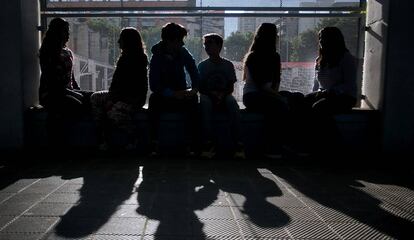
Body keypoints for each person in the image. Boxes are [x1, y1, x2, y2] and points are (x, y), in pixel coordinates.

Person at [90, 27, 148, 150]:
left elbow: (132, 87)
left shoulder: (139, 60)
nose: (118, 42)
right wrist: (112, 97)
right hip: (122, 96)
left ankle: (133, 137)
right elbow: (117, 84)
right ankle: (103, 137)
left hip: (133, 98)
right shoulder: (125, 58)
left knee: (113, 111)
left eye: (120, 39)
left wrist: (113, 99)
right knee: (95, 97)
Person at [38, 17, 92, 149]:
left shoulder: (68, 52)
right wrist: (75, 93)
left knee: (91, 97)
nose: (68, 35)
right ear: (58, 33)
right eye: (65, 31)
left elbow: (71, 77)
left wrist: (78, 91)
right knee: (75, 105)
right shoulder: (48, 52)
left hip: (66, 91)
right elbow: (52, 82)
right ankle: (61, 144)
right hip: (51, 94)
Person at [148, 22, 200, 155]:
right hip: (166, 96)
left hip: (179, 93)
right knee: (154, 99)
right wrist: (172, 93)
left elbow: (193, 71)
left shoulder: (182, 52)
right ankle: (153, 142)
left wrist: (194, 88)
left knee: (193, 99)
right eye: (180, 40)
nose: (182, 43)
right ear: (170, 41)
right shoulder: (156, 56)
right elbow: (154, 85)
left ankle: (192, 143)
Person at [242, 23, 289, 158]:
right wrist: (279, 97)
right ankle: (273, 147)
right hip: (252, 96)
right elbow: (263, 86)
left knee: (296, 97)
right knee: (279, 105)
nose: (278, 37)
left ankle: (283, 144)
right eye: (276, 35)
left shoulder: (274, 56)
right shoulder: (254, 57)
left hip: (265, 94)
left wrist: (278, 95)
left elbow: (274, 83)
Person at [198, 33, 243, 158]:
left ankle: (238, 143)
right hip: (208, 95)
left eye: (209, 43)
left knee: (232, 103)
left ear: (219, 46)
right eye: (205, 44)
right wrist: (213, 94)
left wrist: (222, 95)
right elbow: (201, 87)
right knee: (206, 103)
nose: (206, 47)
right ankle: (207, 142)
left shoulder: (228, 65)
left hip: (223, 95)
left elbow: (230, 86)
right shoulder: (202, 65)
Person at [305, 26, 357, 114]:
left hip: (345, 97)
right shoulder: (319, 60)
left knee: (319, 106)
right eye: (320, 38)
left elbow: (350, 84)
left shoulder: (346, 58)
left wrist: (331, 91)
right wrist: (314, 94)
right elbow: (316, 83)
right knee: (303, 101)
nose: (321, 40)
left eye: (324, 37)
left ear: (334, 40)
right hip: (325, 94)